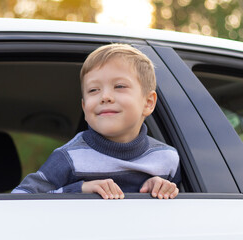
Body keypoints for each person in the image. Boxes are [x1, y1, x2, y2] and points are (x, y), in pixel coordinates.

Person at [12, 43, 180, 199]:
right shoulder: (70, 157)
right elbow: (19, 197)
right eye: (93, 90)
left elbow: (190, 210)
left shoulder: (167, 159)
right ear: (85, 108)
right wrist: (79, 190)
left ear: (148, 103)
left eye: (119, 86)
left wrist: (163, 191)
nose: (105, 97)